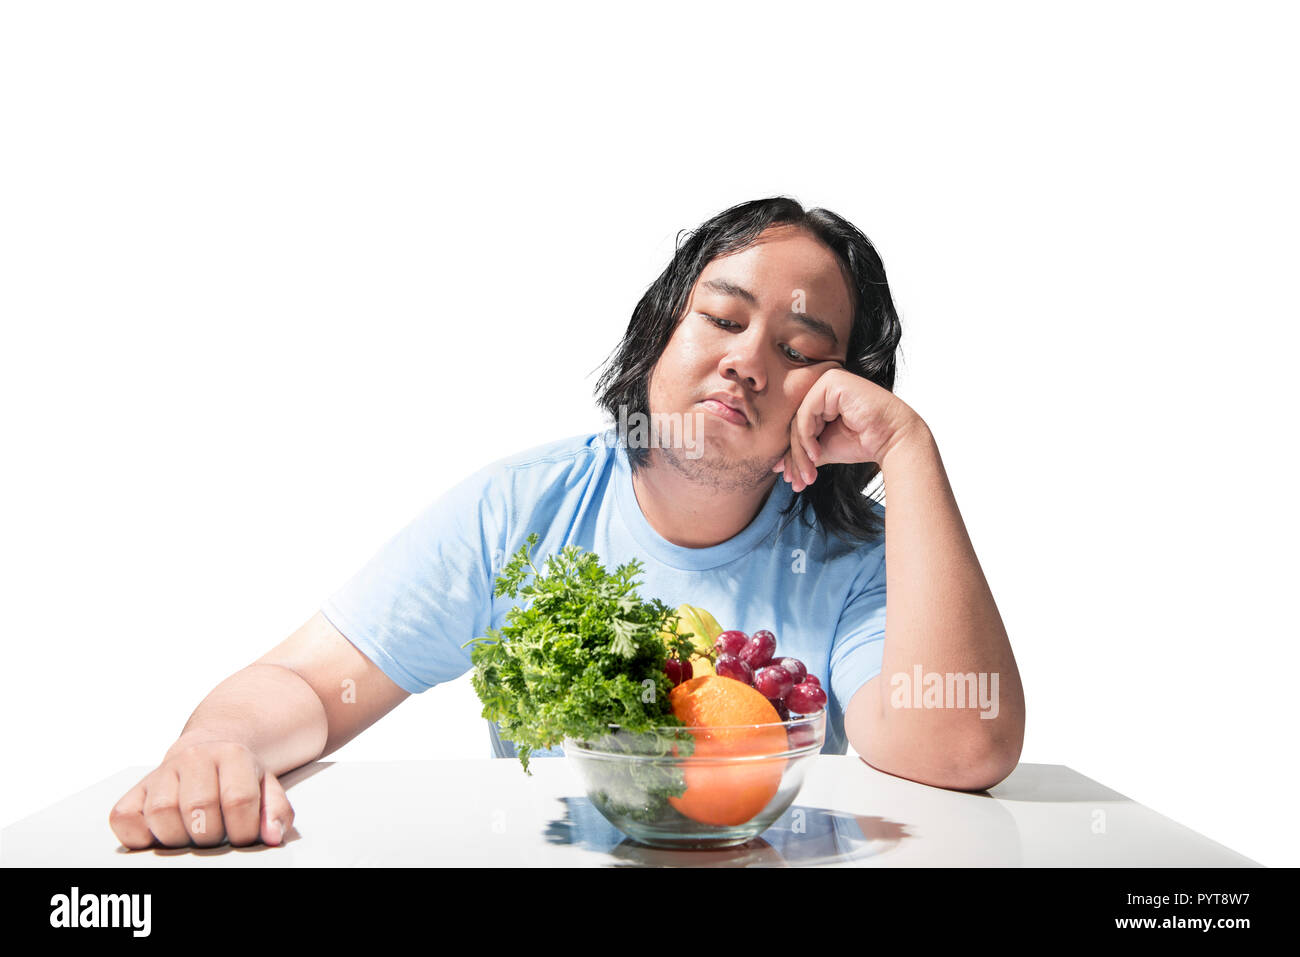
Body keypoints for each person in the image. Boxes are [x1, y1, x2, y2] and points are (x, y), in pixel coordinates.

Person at [108, 197, 1025, 850]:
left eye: (798, 351)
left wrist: (907, 453)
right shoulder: (523, 510)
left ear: (836, 393)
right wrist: (217, 745)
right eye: (722, 317)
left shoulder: (858, 555)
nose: (747, 361)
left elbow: (959, 746)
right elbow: (309, 686)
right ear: (661, 329)